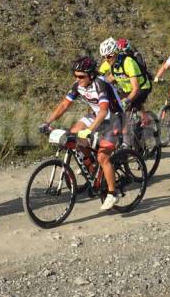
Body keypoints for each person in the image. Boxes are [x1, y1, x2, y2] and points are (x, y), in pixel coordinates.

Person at [42, 56, 124, 212]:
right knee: (73, 134)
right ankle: (92, 165)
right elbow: (65, 104)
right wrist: (48, 122)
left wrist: (89, 130)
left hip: (114, 118)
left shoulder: (100, 84)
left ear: (91, 75)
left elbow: (104, 110)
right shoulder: (78, 85)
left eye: (81, 76)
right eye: (75, 76)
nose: (77, 79)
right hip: (96, 115)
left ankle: (112, 193)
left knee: (103, 156)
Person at [98, 37, 150, 112]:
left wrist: (126, 101)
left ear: (116, 52)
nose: (106, 59)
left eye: (109, 56)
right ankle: (142, 117)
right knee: (113, 105)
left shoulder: (128, 62)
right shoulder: (109, 62)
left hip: (141, 88)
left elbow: (136, 89)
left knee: (126, 108)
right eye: (104, 57)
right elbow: (100, 75)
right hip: (127, 90)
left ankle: (142, 118)